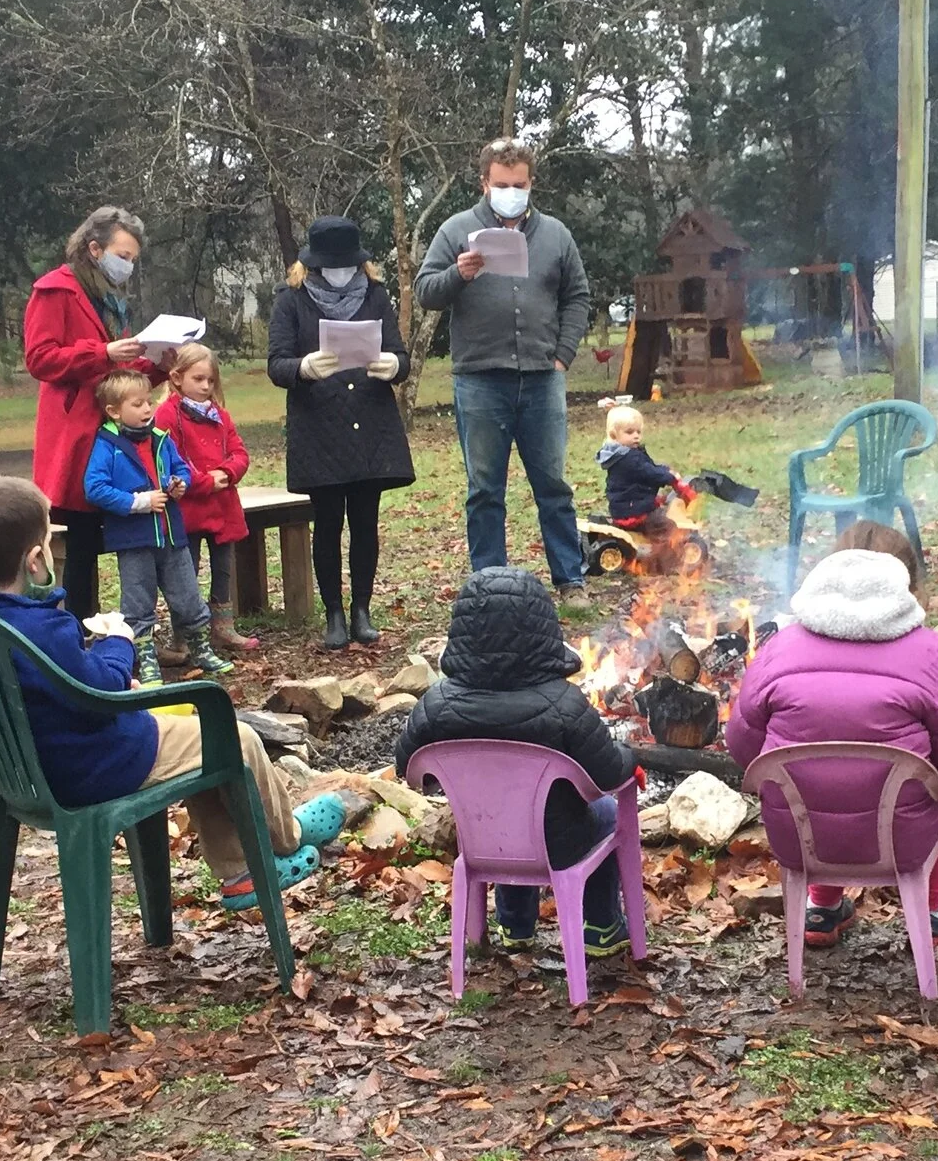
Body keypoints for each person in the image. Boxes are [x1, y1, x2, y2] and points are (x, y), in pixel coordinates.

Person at [0, 475, 343, 907]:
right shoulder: (40, 628)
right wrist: (118, 643)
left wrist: (94, 670)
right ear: (36, 560)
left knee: (194, 741)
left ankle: (239, 871)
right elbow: (103, 685)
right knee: (232, 737)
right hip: (98, 763)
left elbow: (49, 686)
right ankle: (288, 837)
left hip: (33, 771)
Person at [724, 524, 938, 949]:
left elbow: (743, 747)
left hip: (799, 838)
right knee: (935, 788)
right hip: (902, 835)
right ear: (908, 586)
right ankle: (934, 911)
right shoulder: (930, 654)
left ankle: (820, 906)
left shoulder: (777, 652)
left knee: (818, 785)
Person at [392, 567, 632, 954]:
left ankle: (516, 927)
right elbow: (608, 774)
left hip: (481, 840)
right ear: (542, 629)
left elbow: (408, 766)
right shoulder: (564, 704)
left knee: (501, 811)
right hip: (560, 843)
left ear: (464, 631)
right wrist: (628, 754)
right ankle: (602, 926)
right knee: (605, 812)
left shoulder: (437, 705)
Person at [416, 139, 593, 598]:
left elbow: (577, 297)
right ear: (484, 183)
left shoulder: (556, 234)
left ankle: (570, 579)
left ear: (531, 183)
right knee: (485, 489)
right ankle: (490, 586)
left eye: (519, 184)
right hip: (479, 379)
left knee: (553, 484)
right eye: (501, 184)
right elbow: (425, 291)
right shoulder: (456, 230)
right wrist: (459, 273)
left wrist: (562, 356)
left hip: (541, 377)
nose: (511, 191)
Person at [267, 216, 414, 651]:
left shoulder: (375, 294)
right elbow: (276, 362)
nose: (340, 272)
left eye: (346, 265)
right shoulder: (290, 300)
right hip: (320, 423)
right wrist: (302, 367)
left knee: (365, 521)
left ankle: (362, 610)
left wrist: (395, 365)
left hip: (370, 420)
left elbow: (400, 353)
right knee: (328, 522)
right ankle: (333, 612)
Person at [25, 205, 148, 628]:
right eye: (122, 256)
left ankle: (112, 624)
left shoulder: (112, 300)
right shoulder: (55, 290)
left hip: (115, 429)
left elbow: (123, 365)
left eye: (133, 259)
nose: (127, 266)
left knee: (103, 533)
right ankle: (74, 626)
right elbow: (40, 358)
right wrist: (102, 353)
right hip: (75, 430)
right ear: (94, 248)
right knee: (78, 536)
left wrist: (164, 362)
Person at [81, 369, 228, 683]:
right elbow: (95, 488)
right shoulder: (107, 445)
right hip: (133, 541)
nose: (147, 409)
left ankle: (201, 648)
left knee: (188, 595)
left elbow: (181, 469)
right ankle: (145, 657)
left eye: (148, 402)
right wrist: (138, 502)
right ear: (114, 411)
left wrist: (179, 484)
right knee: (137, 602)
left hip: (173, 536)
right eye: (137, 404)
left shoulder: (161, 439)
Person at [154, 344, 257, 652]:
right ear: (176, 377)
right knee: (185, 569)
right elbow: (167, 459)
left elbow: (239, 452)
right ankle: (185, 633)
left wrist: (226, 473)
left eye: (210, 381)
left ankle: (223, 626)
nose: (205, 386)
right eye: (198, 379)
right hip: (187, 506)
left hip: (222, 504)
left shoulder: (220, 415)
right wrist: (202, 482)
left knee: (223, 565)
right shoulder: (166, 415)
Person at [597, 404, 694, 534]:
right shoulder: (629, 458)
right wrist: (670, 477)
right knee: (668, 526)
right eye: (630, 432)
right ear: (614, 435)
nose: (636, 436)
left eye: (638, 432)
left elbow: (648, 467)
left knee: (659, 502)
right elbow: (649, 473)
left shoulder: (619, 455)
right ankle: (666, 551)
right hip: (635, 512)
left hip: (624, 507)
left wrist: (665, 469)